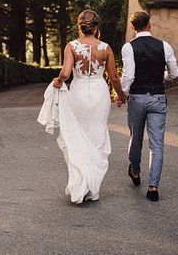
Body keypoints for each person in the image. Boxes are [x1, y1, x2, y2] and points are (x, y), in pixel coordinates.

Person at [51, 10, 126, 204]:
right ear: (97, 26)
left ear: (80, 26)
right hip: (100, 93)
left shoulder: (72, 46)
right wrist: (120, 95)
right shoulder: (106, 48)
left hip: (79, 93)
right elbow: (114, 77)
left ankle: (81, 185)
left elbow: (66, 73)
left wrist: (58, 81)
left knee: (79, 136)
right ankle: (93, 188)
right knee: (97, 136)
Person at [121, 10, 178, 202]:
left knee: (135, 137)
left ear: (132, 27)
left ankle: (136, 172)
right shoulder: (164, 46)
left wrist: (122, 93)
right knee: (157, 144)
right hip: (158, 97)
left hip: (137, 97)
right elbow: (174, 73)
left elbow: (129, 76)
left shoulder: (129, 48)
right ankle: (153, 186)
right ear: (149, 25)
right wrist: (162, 77)